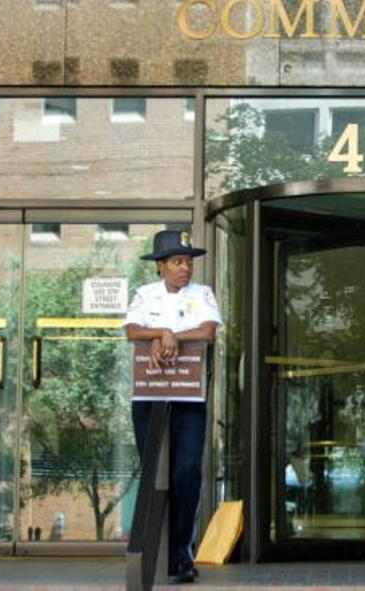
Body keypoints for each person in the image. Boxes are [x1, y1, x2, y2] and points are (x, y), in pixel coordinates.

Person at [124, 230, 222, 584]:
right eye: (178, 262)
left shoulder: (202, 294)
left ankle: (181, 550)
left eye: (189, 261)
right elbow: (132, 330)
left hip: (188, 400)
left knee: (185, 473)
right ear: (160, 267)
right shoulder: (144, 294)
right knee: (153, 477)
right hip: (149, 399)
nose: (186, 268)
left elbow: (208, 331)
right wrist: (158, 331)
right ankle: (154, 550)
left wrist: (169, 336)